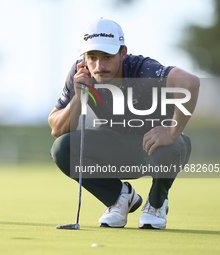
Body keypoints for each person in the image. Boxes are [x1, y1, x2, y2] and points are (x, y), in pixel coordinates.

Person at [48, 18, 199, 229]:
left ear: (123, 53)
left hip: (152, 149)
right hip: (113, 147)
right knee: (62, 148)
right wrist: (79, 96)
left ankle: (157, 203)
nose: (99, 66)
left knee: (170, 147)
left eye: (107, 57)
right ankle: (119, 198)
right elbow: (57, 129)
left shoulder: (144, 70)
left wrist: (173, 131)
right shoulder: (79, 73)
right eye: (92, 57)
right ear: (84, 57)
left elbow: (190, 82)